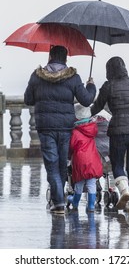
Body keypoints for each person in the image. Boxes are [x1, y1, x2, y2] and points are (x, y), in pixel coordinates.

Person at [24, 45, 96, 214]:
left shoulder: (37, 76)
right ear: (66, 58)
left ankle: (58, 203)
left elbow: (28, 99)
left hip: (45, 126)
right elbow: (86, 100)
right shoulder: (73, 77)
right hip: (65, 127)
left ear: (50, 56)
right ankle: (58, 200)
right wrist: (91, 86)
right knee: (62, 164)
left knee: (52, 164)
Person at [90, 56, 129, 213]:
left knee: (117, 165)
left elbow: (97, 107)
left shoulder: (109, 86)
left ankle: (124, 192)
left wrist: (83, 114)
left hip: (119, 131)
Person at [67, 105, 103, 212]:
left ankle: (75, 202)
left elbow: (72, 146)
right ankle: (91, 205)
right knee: (91, 184)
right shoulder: (93, 130)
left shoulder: (75, 132)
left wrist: (68, 157)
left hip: (80, 160)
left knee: (79, 183)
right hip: (93, 160)